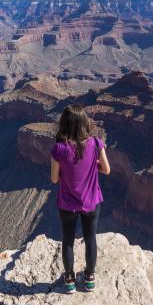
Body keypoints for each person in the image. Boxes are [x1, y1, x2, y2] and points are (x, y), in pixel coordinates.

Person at [50, 104, 111, 293]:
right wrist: (95, 165)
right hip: (91, 202)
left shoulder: (58, 149)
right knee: (90, 237)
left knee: (68, 240)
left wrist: (66, 173)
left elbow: (53, 179)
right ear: (84, 123)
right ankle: (89, 278)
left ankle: (69, 280)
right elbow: (107, 170)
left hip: (67, 204)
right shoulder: (95, 143)